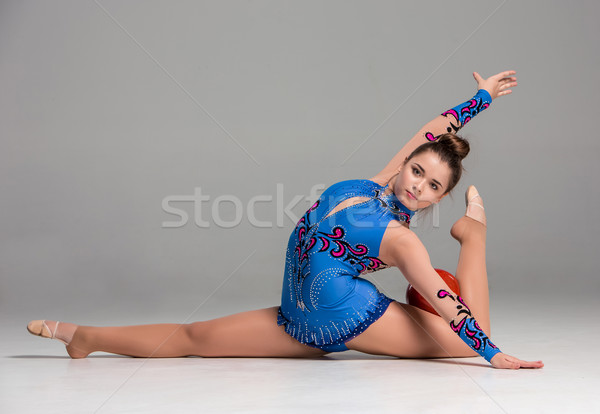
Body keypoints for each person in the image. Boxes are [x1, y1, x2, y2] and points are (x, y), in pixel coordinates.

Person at [27, 70, 544, 370]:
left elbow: (442, 299)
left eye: (433, 187)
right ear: (407, 163)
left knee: (472, 331)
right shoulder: (368, 185)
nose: (417, 186)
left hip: (355, 320)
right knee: (192, 340)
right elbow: (433, 129)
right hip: (298, 320)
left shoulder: (404, 243)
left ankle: (472, 234)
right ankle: (85, 335)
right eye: (417, 171)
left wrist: (493, 355)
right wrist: (481, 98)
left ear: (438, 199)